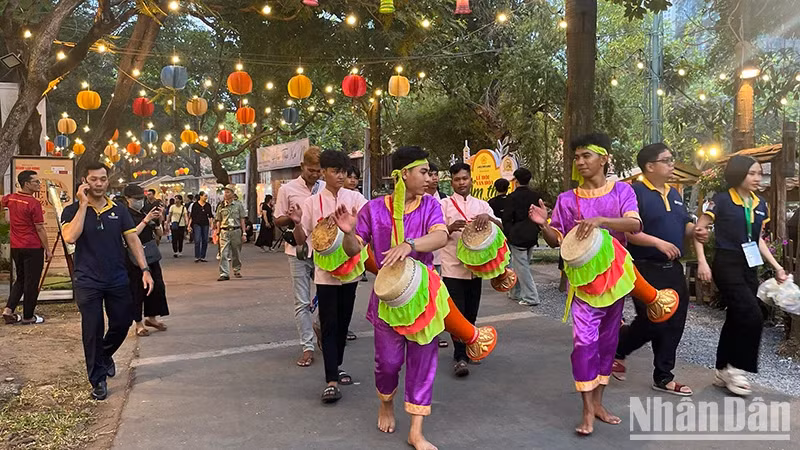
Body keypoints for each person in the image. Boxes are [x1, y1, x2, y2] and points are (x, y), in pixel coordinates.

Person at [528, 133, 642, 435]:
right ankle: (587, 410)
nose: (579, 162)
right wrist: (544, 225)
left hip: (614, 281)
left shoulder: (622, 191)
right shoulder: (568, 199)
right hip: (582, 285)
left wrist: (602, 220)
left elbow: (634, 224)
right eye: (576, 157)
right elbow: (558, 240)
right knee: (584, 345)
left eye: (586, 156)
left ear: (604, 158)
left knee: (608, 344)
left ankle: (599, 404)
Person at [343, 146, 449, 450]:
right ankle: (386, 403)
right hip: (389, 300)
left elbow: (441, 236)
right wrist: (348, 233)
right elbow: (353, 249)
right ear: (404, 174)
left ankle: (416, 431)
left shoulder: (430, 205)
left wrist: (410, 244)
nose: (429, 178)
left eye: (429, 172)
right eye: (423, 172)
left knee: (423, 363)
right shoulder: (374, 209)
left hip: (423, 298)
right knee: (388, 363)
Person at [694, 154, 787, 396]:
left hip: (750, 265)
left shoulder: (761, 204)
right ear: (738, 174)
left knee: (736, 316)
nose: (758, 178)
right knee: (753, 314)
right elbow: (699, 230)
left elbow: (758, 239)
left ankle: (721, 369)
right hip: (727, 262)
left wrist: (777, 266)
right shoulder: (721, 200)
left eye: (759, 173)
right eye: (752, 173)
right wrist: (702, 262)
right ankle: (736, 369)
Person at [60, 162, 153, 400]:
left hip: (117, 277)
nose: (99, 184)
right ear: (85, 182)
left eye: (102, 179)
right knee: (92, 329)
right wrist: (83, 205)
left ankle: (102, 356)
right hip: (87, 280)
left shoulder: (119, 210)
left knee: (122, 322)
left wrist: (145, 269)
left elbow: (133, 240)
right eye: (93, 179)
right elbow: (70, 237)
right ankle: (97, 379)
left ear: (107, 181)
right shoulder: (71, 210)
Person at [613, 143, 696, 396]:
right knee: (654, 320)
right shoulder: (635, 193)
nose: (672, 164)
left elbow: (683, 226)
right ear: (650, 166)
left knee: (675, 322)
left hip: (673, 268)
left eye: (672, 159)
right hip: (644, 267)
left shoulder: (675, 194)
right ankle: (619, 347)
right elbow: (629, 232)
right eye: (667, 160)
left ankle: (663, 376)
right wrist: (658, 243)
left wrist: (698, 231)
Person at [289, 150, 368, 403]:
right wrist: (297, 223)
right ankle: (331, 379)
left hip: (351, 271)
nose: (341, 176)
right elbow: (301, 240)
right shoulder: (312, 203)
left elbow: (367, 229)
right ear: (324, 173)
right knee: (330, 323)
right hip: (324, 273)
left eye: (344, 171)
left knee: (343, 323)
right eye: (335, 171)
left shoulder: (356, 199)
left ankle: (337, 365)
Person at [440, 163, 501, 377]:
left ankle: (470, 347)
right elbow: (434, 234)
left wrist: (489, 219)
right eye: (457, 179)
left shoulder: (482, 205)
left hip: (476, 270)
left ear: (471, 180)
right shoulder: (443, 205)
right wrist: (449, 228)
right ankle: (460, 357)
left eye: (464, 178)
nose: (461, 183)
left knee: (471, 312)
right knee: (458, 313)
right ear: (451, 182)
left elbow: (500, 228)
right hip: (452, 267)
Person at [274, 146, 324, 367]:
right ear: (302, 166)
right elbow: (277, 220)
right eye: (311, 170)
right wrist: (293, 218)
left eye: (319, 171)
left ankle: (321, 327)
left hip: (323, 249)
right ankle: (307, 347)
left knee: (327, 296)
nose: (315, 174)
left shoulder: (325, 188)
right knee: (302, 301)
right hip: (298, 251)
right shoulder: (288, 189)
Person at [2, 170, 52, 325]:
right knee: (31, 282)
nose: (39, 184)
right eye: (36, 181)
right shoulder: (33, 203)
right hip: (32, 247)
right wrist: (48, 249)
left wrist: (6, 212)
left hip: (16, 246)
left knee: (21, 279)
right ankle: (28, 316)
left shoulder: (11, 198)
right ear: (26, 184)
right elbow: (40, 228)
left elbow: (3, 201)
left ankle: (8, 310)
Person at [122, 184, 169, 337]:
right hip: (134, 257)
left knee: (157, 287)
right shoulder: (125, 215)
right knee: (137, 290)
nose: (139, 201)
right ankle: (138, 323)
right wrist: (146, 220)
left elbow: (159, 233)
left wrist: (158, 220)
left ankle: (152, 318)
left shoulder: (144, 212)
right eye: (136, 199)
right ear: (127, 199)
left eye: (141, 198)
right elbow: (131, 235)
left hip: (150, 254)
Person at [502, 168, 542, 306]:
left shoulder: (512, 197)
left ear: (516, 180)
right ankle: (515, 292)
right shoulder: (535, 196)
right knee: (520, 265)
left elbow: (507, 218)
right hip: (532, 234)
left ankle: (531, 297)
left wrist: (509, 233)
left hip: (517, 236)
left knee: (521, 267)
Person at [424, 163, 449, 349]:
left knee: (439, 298)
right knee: (426, 298)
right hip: (423, 257)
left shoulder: (445, 199)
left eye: (435, 174)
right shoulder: (417, 200)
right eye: (428, 174)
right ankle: (427, 331)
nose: (432, 178)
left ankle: (437, 331)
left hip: (443, 256)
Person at [214, 185, 247, 281]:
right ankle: (224, 273)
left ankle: (236, 269)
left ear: (233, 194)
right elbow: (218, 220)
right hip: (224, 231)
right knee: (223, 253)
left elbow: (242, 219)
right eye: (225, 192)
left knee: (236, 252)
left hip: (236, 231)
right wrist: (217, 233)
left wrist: (244, 233)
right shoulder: (221, 206)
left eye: (228, 192)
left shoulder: (238, 205)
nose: (226, 194)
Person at [188, 191, 213, 262]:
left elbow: (210, 216)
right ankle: (197, 256)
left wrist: (211, 224)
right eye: (205, 196)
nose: (206, 197)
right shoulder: (195, 205)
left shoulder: (208, 205)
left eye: (206, 196)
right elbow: (192, 216)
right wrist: (189, 225)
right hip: (197, 224)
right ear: (201, 196)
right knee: (197, 240)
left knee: (205, 240)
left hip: (205, 224)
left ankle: (203, 256)